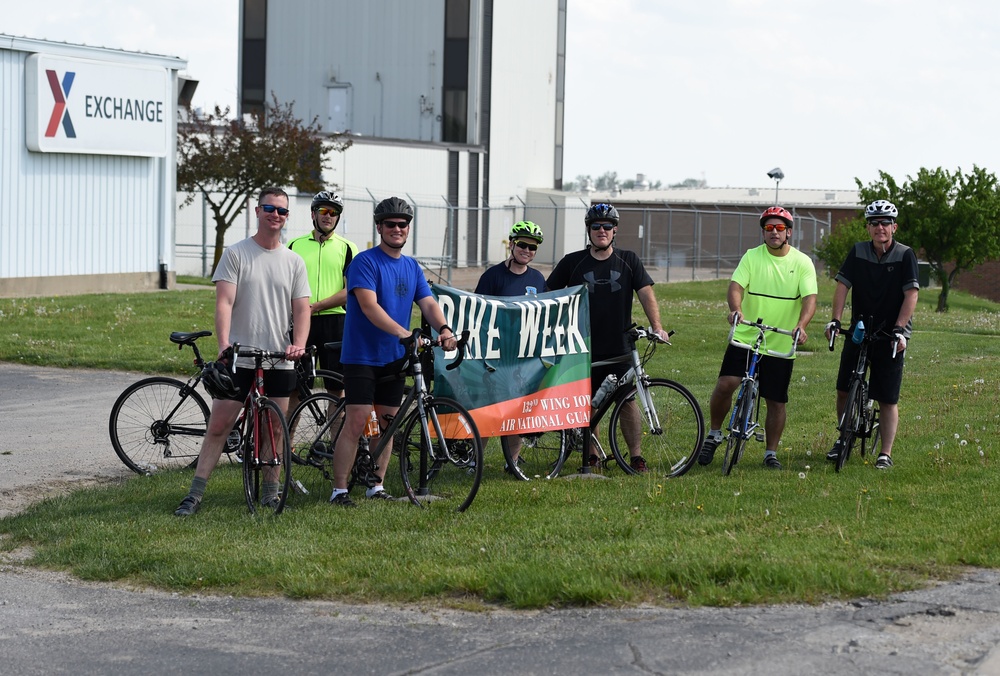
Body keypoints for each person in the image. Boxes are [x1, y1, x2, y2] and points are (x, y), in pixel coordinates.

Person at [174, 187, 311, 516]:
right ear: (257, 211)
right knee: (220, 425)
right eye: (269, 208)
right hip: (241, 355)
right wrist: (224, 345)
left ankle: (270, 493)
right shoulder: (236, 254)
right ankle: (195, 494)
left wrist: (299, 345)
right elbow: (224, 302)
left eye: (282, 211)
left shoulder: (294, 261)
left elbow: (302, 309)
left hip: (279, 358)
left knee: (275, 428)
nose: (275, 215)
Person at [328, 196, 457, 507]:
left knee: (388, 423)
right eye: (390, 224)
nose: (397, 229)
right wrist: (404, 333)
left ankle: (376, 485)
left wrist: (443, 329)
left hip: (394, 356)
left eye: (402, 224)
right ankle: (339, 490)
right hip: (361, 355)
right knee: (357, 420)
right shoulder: (365, 262)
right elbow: (369, 306)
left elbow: (427, 303)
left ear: (408, 229)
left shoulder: (411, 266)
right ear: (379, 227)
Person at [545, 203, 670, 473]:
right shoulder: (572, 261)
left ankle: (636, 457)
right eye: (596, 226)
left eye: (607, 226)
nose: (601, 231)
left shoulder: (629, 259)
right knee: (589, 401)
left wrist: (657, 326)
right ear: (588, 231)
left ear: (615, 230)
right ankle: (592, 456)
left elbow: (646, 292)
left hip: (619, 344)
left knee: (627, 401)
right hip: (584, 344)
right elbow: (548, 295)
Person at [697, 206, 817, 470]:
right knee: (726, 383)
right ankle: (714, 433)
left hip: (781, 340)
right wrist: (736, 310)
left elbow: (810, 299)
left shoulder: (802, 262)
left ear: (789, 233)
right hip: (748, 334)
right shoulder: (752, 257)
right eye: (769, 228)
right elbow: (736, 287)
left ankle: (770, 453)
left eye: (780, 228)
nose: (774, 232)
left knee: (776, 400)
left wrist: (801, 325)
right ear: (763, 232)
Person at [824, 199, 918, 470]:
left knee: (887, 397)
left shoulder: (905, 254)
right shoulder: (858, 252)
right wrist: (835, 320)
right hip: (860, 328)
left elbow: (911, 294)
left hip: (891, 333)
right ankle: (844, 439)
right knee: (844, 388)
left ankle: (885, 454)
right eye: (874, 223)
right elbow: (843, 285)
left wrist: (900, 329)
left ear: (894, 227)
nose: (880, 227)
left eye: (885, 223)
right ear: (868, 227)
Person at [474, 220, 547, 473]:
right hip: (496, 354)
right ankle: (477, 461)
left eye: (533, 247)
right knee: (489, 410)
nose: (527, 250)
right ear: (512, 244)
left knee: (518, 410)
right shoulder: (492, 276)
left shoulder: (537, 278)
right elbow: (477, 313)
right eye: (523, 245)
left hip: (524, 355)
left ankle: (512, 462)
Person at [287, 190, 358, 403]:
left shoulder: (348, 248)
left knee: (336, 389)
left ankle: (334, 437)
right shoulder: (294, 245)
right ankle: (286, 436)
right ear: (313, 214)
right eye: (324, 210)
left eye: (334, 212)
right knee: (296, 389)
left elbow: (350, 291)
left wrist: (314, 306)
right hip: (301, 321)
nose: (328, 215)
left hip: (334, 322)